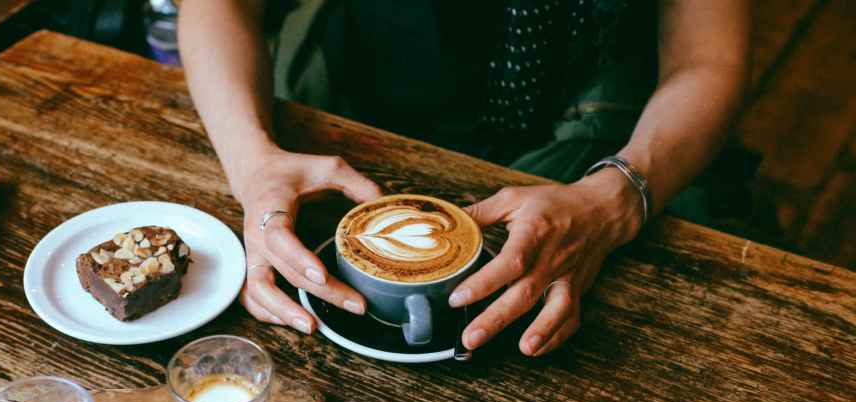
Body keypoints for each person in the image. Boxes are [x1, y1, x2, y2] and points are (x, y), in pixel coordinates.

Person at [178, 1, 750, 355]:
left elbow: (709, 56)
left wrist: (616, 198)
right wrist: (253, 164)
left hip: (610, 141)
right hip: (354, 117)